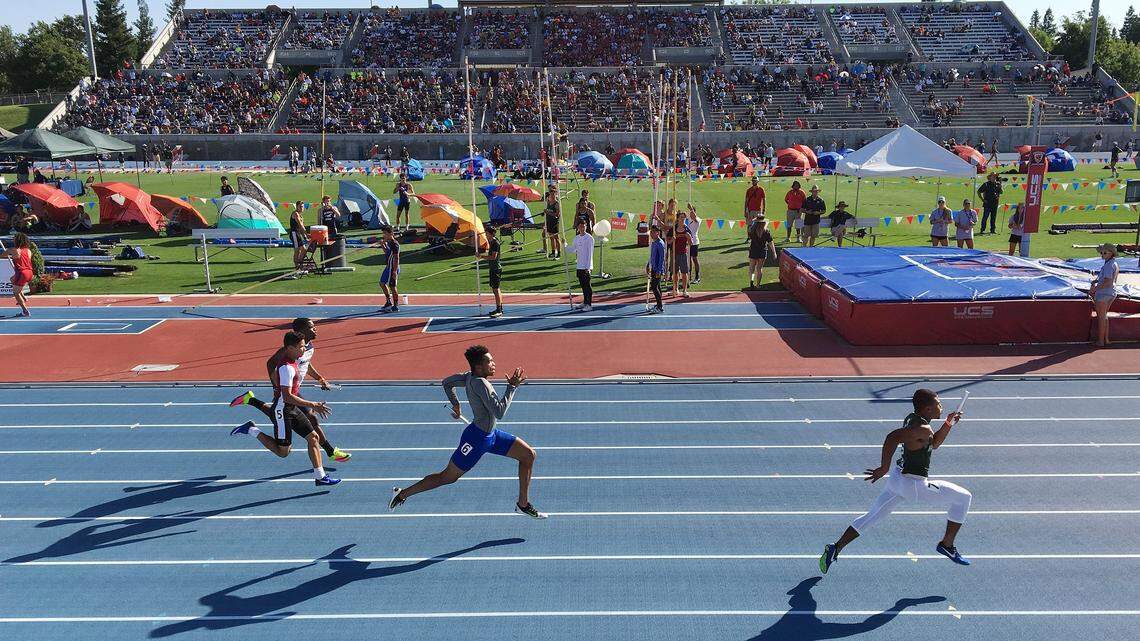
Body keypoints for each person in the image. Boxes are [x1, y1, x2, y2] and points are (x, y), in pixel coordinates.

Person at [819, 388, 971, 574]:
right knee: (964, 497)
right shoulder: (923, 428)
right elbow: (892, 437)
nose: (941, 406)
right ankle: (947, 544)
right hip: (914, 485)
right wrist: (883, 467)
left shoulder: (913, 419)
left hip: (897, 480)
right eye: (938, 404)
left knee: (871, 517)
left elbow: (933, 443)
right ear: (928, 409)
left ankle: (835, 548)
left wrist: (948, 423)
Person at [389, 345, 545, 519]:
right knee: (447, 477)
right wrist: (512, 388)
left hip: (491, 435)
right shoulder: (483, 384)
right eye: (489, 361)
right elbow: (499, 412)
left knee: (528, 455)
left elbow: (447, 383)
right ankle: (402, 494)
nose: (494, 364)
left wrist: (456, 404)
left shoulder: (469, 377)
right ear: (479, 366)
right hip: (476, 440)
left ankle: (522, 504)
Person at [229, 330, 342, 487]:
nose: (304, 349)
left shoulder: (293, 360)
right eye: (301, 347)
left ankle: (320, 476)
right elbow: (287, 396)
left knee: (313, 437)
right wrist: (313, 404)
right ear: (290, 348)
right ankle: (251, 429)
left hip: (292, 408)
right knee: (283, 452)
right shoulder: (287, 368)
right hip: (283, 411)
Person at [1090, 242, 1119, 347]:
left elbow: (1108, 282)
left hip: (1104, 294)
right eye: (1101, 252)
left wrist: (1094, 289)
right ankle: (1106, 339)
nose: (1102, 254)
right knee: (1104, 316)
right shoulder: (1112, 263)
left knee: (1101, 318)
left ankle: (1101, 341)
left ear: (1111, 253)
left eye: (1105, 252)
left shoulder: (1109, 265)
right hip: (1110, 292)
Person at [564, 218, 595, 311]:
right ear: (578, 227)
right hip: (579, 266)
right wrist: (564, 244)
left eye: (584, 225)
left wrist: (588, 267)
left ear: (586, 226)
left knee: (587, 286)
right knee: (582, 285)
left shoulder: (589, 238)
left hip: (586, 266)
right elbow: (573, 249)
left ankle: (589, 305)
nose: (583, 227)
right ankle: (585, 302)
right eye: (581, 226)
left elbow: (590, 254)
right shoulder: (576, 238)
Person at [1, 232, 33, 316]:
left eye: (14, 239)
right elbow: (23, 260)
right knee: (12, 279)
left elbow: (2, 256)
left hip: (22, 273)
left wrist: (8, 251)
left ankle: (25, 311)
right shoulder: (28, 251)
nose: (13, 240)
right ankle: (24, 298)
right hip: (29, 272)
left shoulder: (13, 250)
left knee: (15, 293)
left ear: (17, 240)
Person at [747, 217, 775, 290]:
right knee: (759, 269)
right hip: (762, 250)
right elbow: (770, 242)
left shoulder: (751, 230)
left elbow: (750, 234)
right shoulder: (766, 231)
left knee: (752, 268)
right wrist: (774, 252)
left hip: (753, 250)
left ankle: (751, 282)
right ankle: (758, 285)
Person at [481, 226, 504, 318]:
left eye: (486, 233)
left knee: (496, 289)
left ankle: (499, 310)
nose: (485, 235)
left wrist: (481, 257)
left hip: (496, 269)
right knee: (495, 289)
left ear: (490, 234)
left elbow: (493, 257)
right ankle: (499, 308)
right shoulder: (492, 241)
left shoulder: (495, 243)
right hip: (493, 268)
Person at [379, 225, 400, 313]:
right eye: (383, 233)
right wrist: (382, 245)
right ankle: (388, 302)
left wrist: (394, 271)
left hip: (393, 268)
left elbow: (396, 258)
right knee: (382, 283)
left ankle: (395, 306)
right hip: (388, 267)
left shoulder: (394, 244)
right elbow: (387, 253)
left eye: (385, 234)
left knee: (392, 286)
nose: (384, 235)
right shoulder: (388, 242)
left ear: (391, 233)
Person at [646, 225, 666, 313]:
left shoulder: (660, 244)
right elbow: (652, 256)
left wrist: (659, 271)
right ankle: (659, 304)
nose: (651, 234)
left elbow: (662, 258)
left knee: (654, 287)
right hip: (653, 268)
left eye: (653, 232)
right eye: (651, 232)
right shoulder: (654, 242)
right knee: (657, 286)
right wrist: (648, 265)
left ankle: (660, 307)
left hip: (658, 269)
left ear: (658, 233)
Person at [672, 222, 691, 298]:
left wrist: (689, 238)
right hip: (675, 253)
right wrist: (672, 239)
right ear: (678, 218)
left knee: (684, 272)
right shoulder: (674, 228)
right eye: (681, 217)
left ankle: (684, 290)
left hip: (683, 253)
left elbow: (691, 243)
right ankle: (675, 289)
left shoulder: (686, 229)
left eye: (684, 217)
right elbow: (668, 240)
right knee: (675, 272)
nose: (682, 219)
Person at [288, 201, 308, 271]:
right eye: (300, 207)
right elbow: (300, 225)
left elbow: (301, 228)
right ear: (297, 207)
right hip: (294, 234)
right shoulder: (295, 214)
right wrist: (306, 234)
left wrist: (305, 237)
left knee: (304, 250)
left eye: (303, 207)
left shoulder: (301, 216)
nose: (302, 208)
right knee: (297, 250)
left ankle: (300, 263)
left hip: (298, 234)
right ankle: (297, 266)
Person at [684, 204, 702, 285]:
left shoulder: (698, 219)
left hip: (694, 242)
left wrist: (691, 209)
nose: (690, 214)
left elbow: (694, 218)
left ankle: (697, 276)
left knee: (694, 259)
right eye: (690, 212)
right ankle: (689, 275)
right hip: (687, 241)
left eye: (692, 212)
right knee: (688, 259)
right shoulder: (687, 219)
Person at [543, 188, 561, 259]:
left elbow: (557, 215)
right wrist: (545, 212)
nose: (552, 196)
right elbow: (547, 211)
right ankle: (553, 252)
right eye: (551, 194)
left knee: (556, 238)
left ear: (556, 195)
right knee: (551, 238)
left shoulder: (557, 204)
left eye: (554, 194)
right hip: (549, 221)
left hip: (555, 222)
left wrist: (548, 212)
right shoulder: (548, 202)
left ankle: (559, 253)